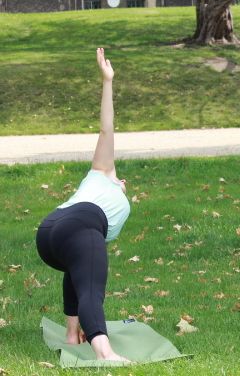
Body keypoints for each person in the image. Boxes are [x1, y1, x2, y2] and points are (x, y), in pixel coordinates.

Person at [36, 48, 131, 362]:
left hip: (51, 233)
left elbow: (79, 266)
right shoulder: (102, 171)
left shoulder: (99, 188)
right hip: (76, 222)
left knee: (79, 269)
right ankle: (105, 352)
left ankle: (71, 333)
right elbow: (107, 127)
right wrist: (108, 82)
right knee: (92, 288)